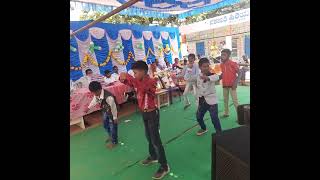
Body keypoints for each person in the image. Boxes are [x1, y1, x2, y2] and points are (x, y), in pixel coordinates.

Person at [119, 61, 170, 179]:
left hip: (152, 113)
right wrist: (122, 78)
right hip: (144, 113)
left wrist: (130, 77)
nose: (134, 74)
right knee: (148, 136)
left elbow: (142, 87)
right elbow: (129, 82)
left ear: (143, 71)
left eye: (136, 72)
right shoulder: (137, 81)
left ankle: (164, 166)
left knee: (156, 140)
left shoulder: (152, 81)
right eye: (133, 72)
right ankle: (153, 156)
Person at [189, 57, 222, 136]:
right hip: (202, 100)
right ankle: (203, 128)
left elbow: (217, 77)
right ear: (200, 67)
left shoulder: (212, 75)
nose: (206, 68)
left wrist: (207, 78)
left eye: (208, 66)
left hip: (212, 101)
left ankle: (220, 133)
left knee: (214, 118)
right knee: (198, 116)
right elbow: (190, 79)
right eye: (204, 66)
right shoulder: (198, 76)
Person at [86, 81, 119, 149]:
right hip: (105, 110)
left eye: (95, 92)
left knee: (113, 127)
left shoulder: (109, 97)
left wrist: (115, 117)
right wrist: (88, 107)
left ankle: (114, 141)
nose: (94, 94)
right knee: (105, 124)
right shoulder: (96, 94)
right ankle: (110, 135)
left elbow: (113, 107)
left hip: (112, 112)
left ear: (99, 89)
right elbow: (94, 100)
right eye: (93, 92)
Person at [220, 49, 240, 117]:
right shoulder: (221, 65)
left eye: (224, 55)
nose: (222, 56)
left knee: (235, 101)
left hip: (232, 86)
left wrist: (236, 83)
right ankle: (226, 113)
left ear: (228, 56)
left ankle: (240, 116)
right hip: (225, 85)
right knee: (225, 100)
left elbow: (240, 73)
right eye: (221, 54)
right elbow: (223, 74)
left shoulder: (233, 63)